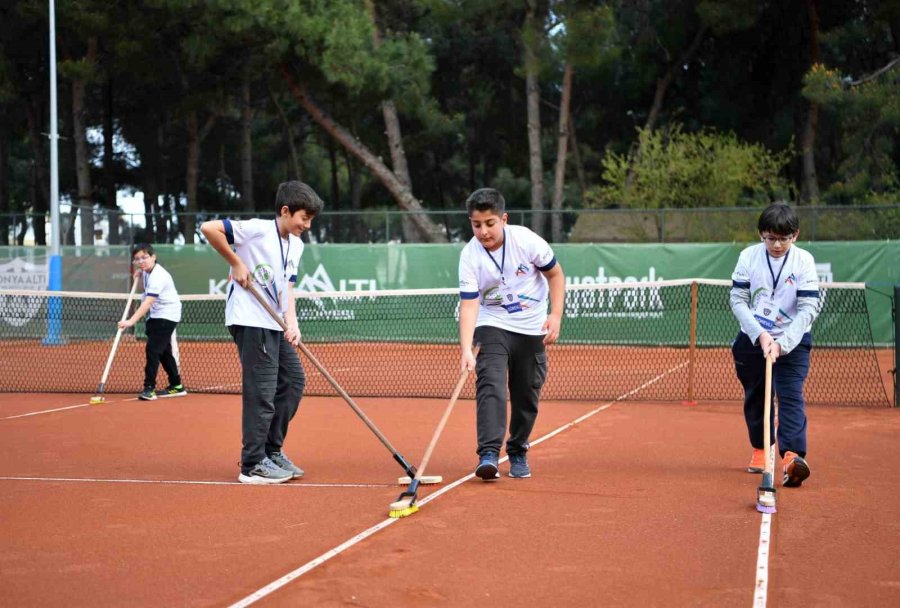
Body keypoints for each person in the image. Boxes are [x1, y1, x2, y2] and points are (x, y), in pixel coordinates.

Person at [200, 181, 323, 485]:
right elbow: (208, 228)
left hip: (275, 323)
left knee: (293, 382)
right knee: (262, 391)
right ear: (286, 211)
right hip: (251, 319)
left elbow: (288, 288)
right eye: (304, 218)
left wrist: (292, 323)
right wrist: (236, 263)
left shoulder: (297, 245)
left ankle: (271, 450)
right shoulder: (257, 229)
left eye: (310, 220)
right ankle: (252, 463)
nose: (307, 225)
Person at [458, 188, 565, 481]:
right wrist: (466, 348)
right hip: (492, 323)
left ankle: (517, 450)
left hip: (532, 327)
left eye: (490, 223)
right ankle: (488, 454)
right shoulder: (469, 256)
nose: (483, 231)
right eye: (476, 224)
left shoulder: (527, 241)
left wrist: (555, 315)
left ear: (503, 219)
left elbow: (555, 275)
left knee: (526, 394)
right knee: (490, 384)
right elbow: (469, 304)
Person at [730, 202, 821, 488]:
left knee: (791, 396)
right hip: (753, 338)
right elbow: (738, 300)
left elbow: (808, 308)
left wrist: (783, 344)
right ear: (761, 235)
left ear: (795, 235)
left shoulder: (804, 261)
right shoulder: (748, 257)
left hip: (793, 339)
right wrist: (760, 335)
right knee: (757, 396)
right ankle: (761, 448)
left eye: (784, 238)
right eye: (771, 238)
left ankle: (792, 457)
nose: (777, 245)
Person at [118, 243, 186, 401]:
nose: (141, 261)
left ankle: (149, 388)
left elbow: (148, 302)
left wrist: (130, 321)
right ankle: (176, 386)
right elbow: (145, 289)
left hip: (167, 315)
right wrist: (139, 277)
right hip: (156, 314)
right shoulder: (146, 271)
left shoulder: (158, 276)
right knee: (164, 352)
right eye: (137, 259)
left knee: (153, 350)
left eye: (144, 257)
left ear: (153, 257)